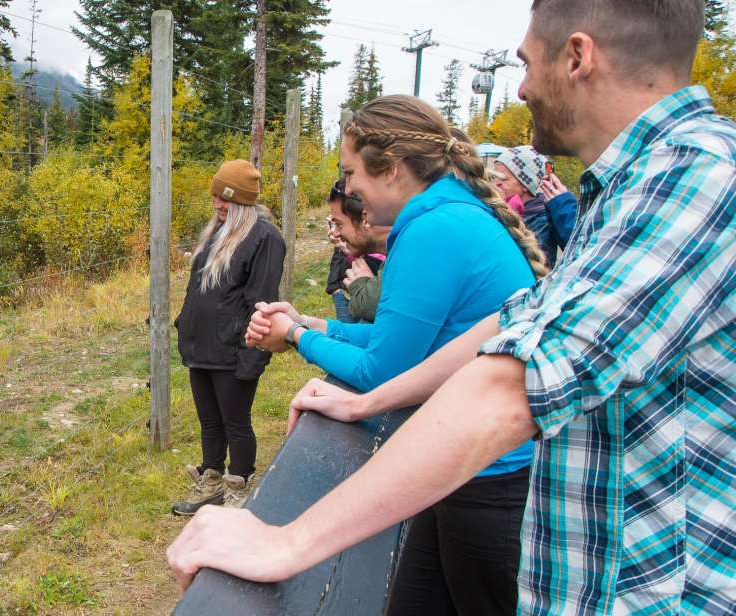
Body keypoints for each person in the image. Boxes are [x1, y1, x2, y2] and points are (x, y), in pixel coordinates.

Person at [168, 2, 736, 614]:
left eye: (524, 62)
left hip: (640, 587)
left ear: (577, 56)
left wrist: (286, 542)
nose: (519, 86)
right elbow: (510, 327)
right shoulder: (630, 186)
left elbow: (508, 386)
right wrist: (362, 397)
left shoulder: (697, 176)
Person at [244, 94, 547, 615]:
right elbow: (401, 340)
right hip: (459, 457)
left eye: (352, 172)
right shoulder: (447, 215)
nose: (350, 188)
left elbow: (384, 369)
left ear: (392, 170)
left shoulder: (433, 229)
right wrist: (314, 324)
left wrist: (296, 338)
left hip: (488, 475)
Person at [171, 160, 285, 516]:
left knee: (236, 421)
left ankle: (240, 485)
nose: (217, 205)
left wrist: (252, 356)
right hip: (201, 346)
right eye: (215, 196)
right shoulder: (218, 232)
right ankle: (211, 482)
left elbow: (262, 302)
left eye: (225, 199)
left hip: (234, 349)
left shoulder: (265, 239)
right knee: (208, 421)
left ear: (243, 202)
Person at [493, 145, 577, 267]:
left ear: (526, 184)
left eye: (504, 179)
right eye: (494, 177)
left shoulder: (542, 219)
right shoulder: (498, 209)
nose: (496, 184)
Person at [324, 179, 388, 323]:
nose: (333, 233)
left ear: (365, 219)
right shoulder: (397, 252)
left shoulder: (404, 260)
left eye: (338, 224)